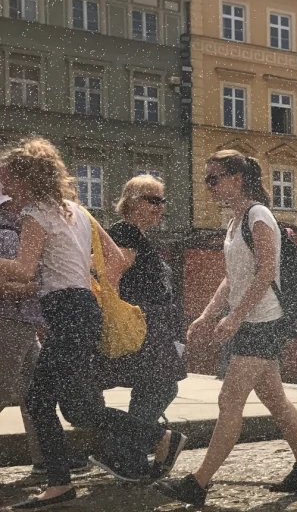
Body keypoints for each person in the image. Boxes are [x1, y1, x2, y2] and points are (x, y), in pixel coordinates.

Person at [0, 138, 186, 509]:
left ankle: (61, 483)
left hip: (68, 312)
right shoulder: (77, 210)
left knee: (38, 401)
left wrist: (58, 281)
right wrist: (73, 277)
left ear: (26, 178)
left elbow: (21, 268)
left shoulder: (35, 214)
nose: (5, 186)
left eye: (8, 179)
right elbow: (116, 259)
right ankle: (157, 438)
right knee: (77, 409)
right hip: (82, 308)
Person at [154, 150, 297, 507]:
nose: (209, 186)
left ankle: (198, 483)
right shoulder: (235, 222)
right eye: (207, 179)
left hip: (264, 322)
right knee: (276, 400)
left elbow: (266, 271)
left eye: (214, 178)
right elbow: (233, 279)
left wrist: (235, 316)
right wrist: (208, 314)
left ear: (237, 178)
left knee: (229, 400)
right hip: (251, 321)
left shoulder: (259, 216)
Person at [93, 175, 188, 475]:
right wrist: (114, 317)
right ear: (132, 201)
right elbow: (110, 278)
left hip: (150, 324)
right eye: (153, 200)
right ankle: (124, 451)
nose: (160, 207)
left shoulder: (135, 234)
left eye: (162, 201)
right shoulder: (125, 233)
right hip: (141, 324)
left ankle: (125, 453)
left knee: (155, 387)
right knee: (160, 387)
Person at [0, 190, 90, 478]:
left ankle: (48, 460)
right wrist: (34, 286)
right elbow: (23, 276)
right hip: (8, 320)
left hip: (23, 320)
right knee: (6, 392)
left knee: (33, 395)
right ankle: (50, 461)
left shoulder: (25, 225)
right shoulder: (10, 230)